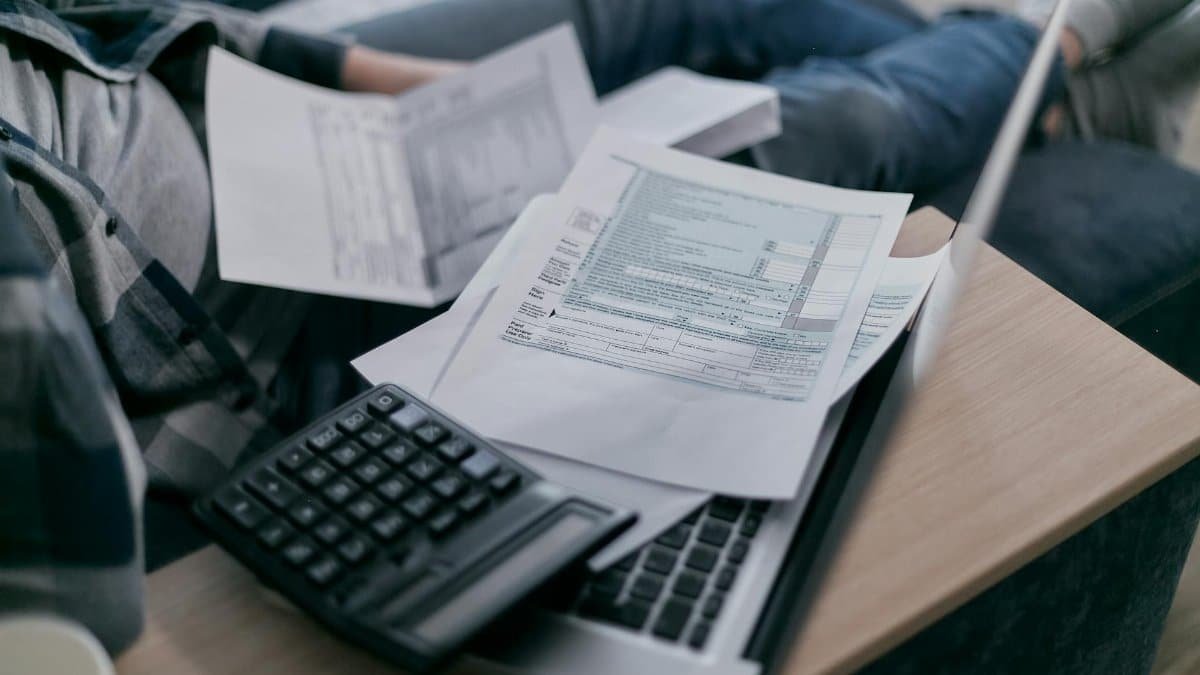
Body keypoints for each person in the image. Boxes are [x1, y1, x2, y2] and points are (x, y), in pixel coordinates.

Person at [0, 0, 1197, 657]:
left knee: (665, 3)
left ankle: (1028, 90)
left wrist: (388, 90)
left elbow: (95, 37)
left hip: (291, 139)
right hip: (287, 344)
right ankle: (1060, 46)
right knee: (827, 132)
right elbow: (79, 616)